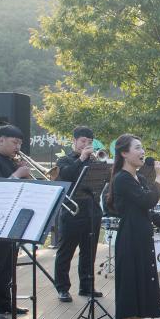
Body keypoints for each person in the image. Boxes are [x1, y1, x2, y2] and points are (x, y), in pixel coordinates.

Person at [106, 134, 160, 319]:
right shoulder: (122, 179)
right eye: (137, 148)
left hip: (143, 239)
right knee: (127, 292)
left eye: (142, 147)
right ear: (124, 153)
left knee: (139, 291)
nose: (142, 151)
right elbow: (148, 201)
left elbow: (149, 211)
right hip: (129, 240)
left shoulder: (138, 179)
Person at [0, 125, 32, 315]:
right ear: (1, 140)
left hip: (13, 217)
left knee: (8, 264)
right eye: (14, 142)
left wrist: (22, 173)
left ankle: (4, 302)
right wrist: (18, 174)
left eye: (20, 143)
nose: (17, 147)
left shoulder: (9, 160)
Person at [54, 126, 103, 302]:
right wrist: (81, 159)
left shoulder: (93, 161)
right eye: (83, 141)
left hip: (91, 211)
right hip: (71, 212)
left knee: (89, 251)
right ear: (74, 141)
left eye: (89, 142)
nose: (86, 145)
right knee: (65, 251)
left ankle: (87, 286)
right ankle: (62, 288)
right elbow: (66, 176)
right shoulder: (64, 161)